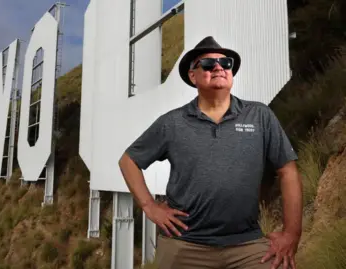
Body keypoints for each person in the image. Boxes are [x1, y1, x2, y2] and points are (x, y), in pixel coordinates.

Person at [118, 36, 303, 269]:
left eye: (225, 63)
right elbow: (128, 161)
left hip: (247, 245)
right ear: (192, 75)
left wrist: (292, 233)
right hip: (184, 246)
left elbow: (288, 171)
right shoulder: (172, 123)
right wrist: (149, 206)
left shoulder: (259, 116)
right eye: (207, 64)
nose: (218, 67)